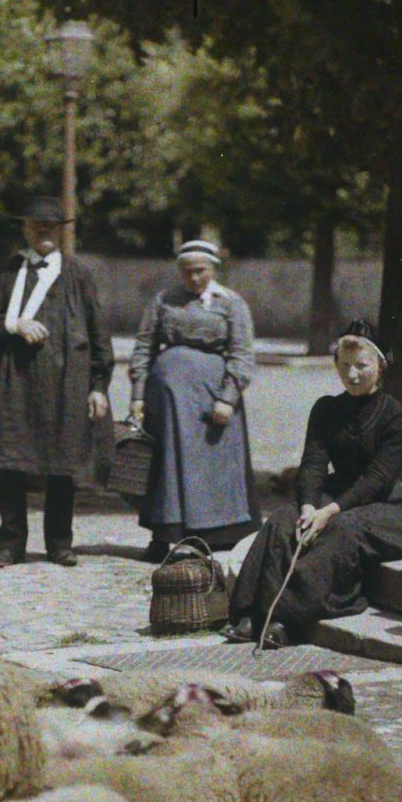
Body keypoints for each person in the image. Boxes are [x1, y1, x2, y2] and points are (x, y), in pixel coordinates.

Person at [224, 322, 402, 648]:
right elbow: (313, 463)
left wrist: (328, 512)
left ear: (381, 366)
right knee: (283, 520)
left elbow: (377, 479)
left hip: (383, 505)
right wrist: (309, 505)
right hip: (334, 493)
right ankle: (252, 611)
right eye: (344, 365)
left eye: (361, 366)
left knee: (341, 528)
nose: (352, 374)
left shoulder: (398, 418)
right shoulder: (326, 408)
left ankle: (286, 620)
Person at [0, 194, 114, 568]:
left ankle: (60, 544)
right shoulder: (8, 274)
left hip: (67, 385)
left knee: (62, 468)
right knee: (11, 466)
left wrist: (98, 386)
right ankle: (11, 545)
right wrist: (13, 325)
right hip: (15, 385)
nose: (43, 232)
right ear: (25, 230)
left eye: (50, 227)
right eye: (37, 226)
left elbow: (98, 334)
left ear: (62, 232)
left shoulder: (78, 275)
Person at [127, 239, 260, 562]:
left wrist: (228, 397)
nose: (194, 277)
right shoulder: (163, 300)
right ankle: (162, 536)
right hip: (165, 402)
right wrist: (138, 395)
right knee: (165, 467)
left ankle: (210, 538)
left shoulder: (231, 303)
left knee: (209, 468)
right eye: (187, 271)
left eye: (200, 270)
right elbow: (144, 346)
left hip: (209, 400)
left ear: (213, 268)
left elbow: (242, 354)